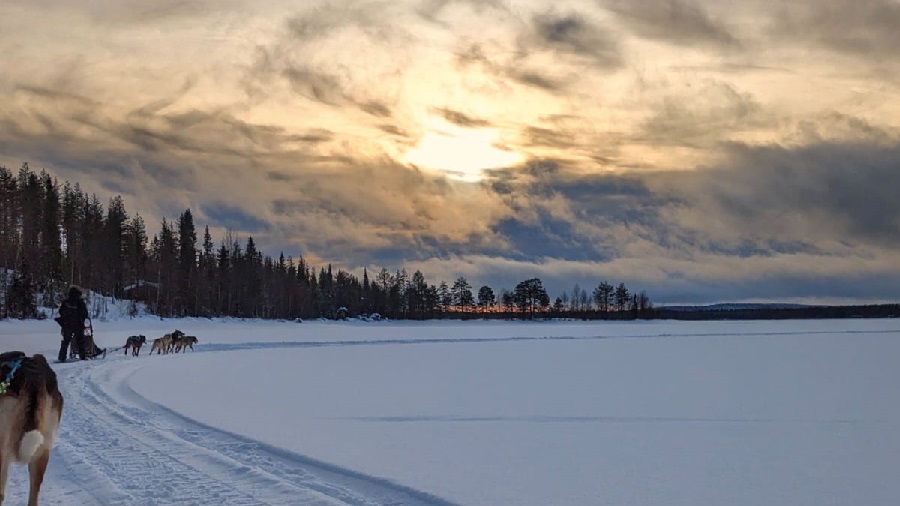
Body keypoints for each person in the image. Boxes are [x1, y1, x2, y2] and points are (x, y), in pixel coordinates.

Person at [56, 286, 89, 362]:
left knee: (65, 341)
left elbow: (61, 312)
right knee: (80, 341)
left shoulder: (66, 302)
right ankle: (82, 357)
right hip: (78, 325)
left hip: (67, 325)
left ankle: (61, 357)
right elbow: (85, 313)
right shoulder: (80, 302)